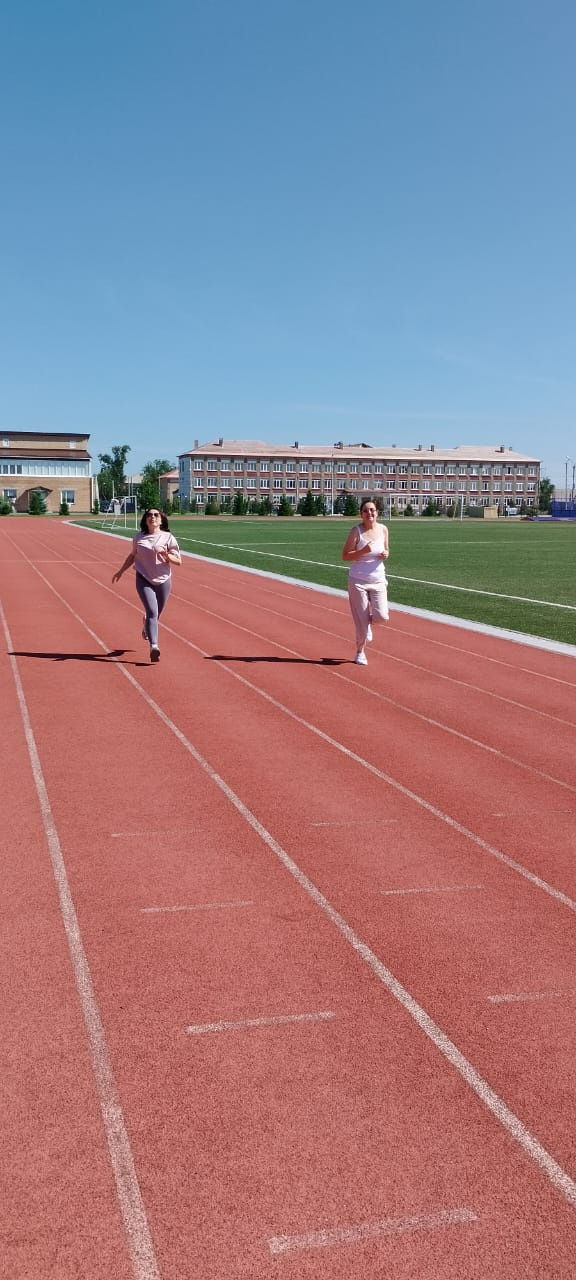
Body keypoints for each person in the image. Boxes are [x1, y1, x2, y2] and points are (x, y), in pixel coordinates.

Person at [112, 509, 181, 663]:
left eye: (156, 515)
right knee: (152, 611)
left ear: (161, 520)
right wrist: (121, 571)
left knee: (155, 615)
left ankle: (146, 626)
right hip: (143, 578)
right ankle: (154, 646)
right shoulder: (139, 537)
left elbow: (179, 561)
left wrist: (166, 555)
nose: (152, 517)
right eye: (149, 515)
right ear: (145, 520)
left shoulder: (168, 537)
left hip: (164, 580)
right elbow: (132, 555)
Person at [341, 498, 389, 665]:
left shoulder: (383, 529)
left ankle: (368, 623)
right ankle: (360, 652)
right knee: (361, 624)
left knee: (382, 617)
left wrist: (386, 554)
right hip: (358, 581)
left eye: (372, 510)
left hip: (378, 580)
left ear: (377, 512)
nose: (369, 513)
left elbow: (386, 549)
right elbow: (345, 556)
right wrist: (363, 550)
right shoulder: (356, 531)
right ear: (361, 514)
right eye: (366, 511)